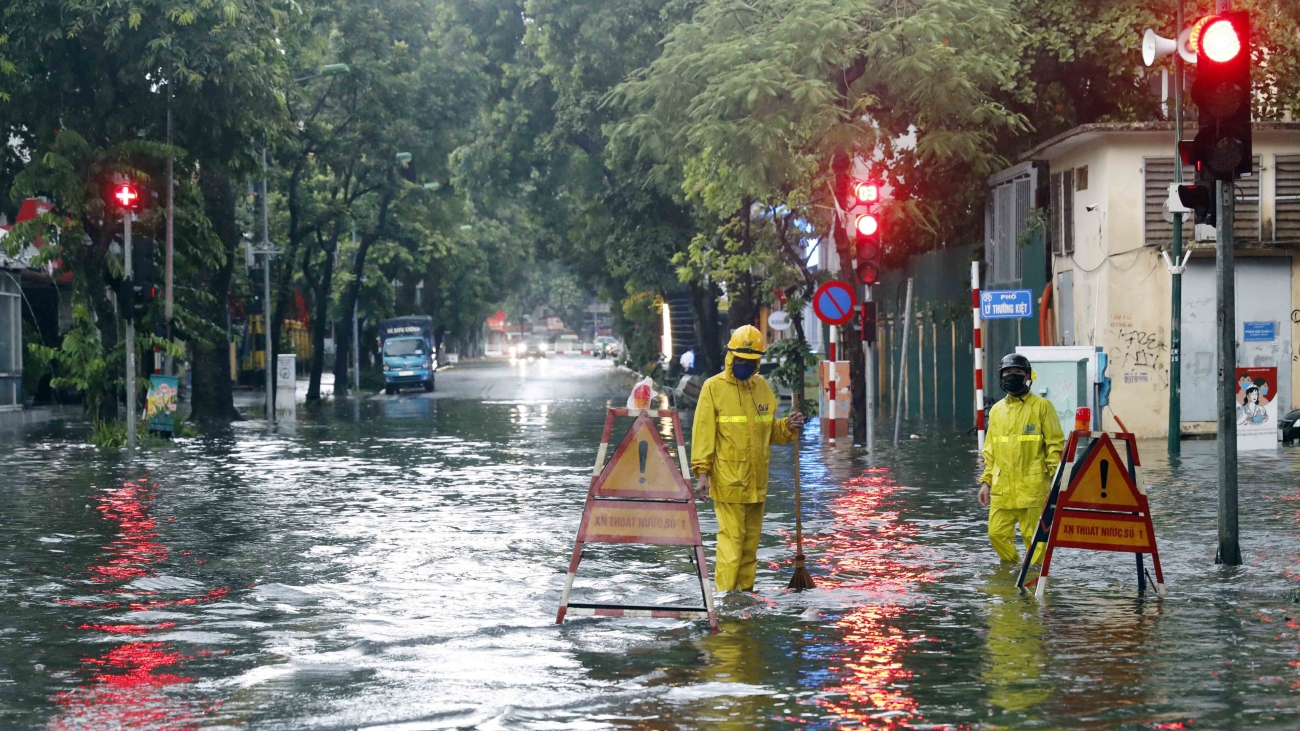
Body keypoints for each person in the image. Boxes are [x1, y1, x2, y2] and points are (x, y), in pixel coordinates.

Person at [691, 325, 805, 592]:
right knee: (732, 543)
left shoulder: (762, 388)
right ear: (731, 357)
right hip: (729, 483)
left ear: (757, 362)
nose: (744, 364)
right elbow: (703, 434)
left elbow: (770, 433)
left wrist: (788, 426)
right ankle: (723, 601)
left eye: (750, 360)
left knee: (750, 547)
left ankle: (744, 596)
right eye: (740, 359)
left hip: (757, 483)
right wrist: (702, 474)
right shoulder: (713, 388)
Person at [977, 353, 1064, 564]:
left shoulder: (1042, 407)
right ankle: (1014, 568)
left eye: (1017, 372)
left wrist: (1057, 480)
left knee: (1034, 540)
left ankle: (1033, 579)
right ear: (1001, 376)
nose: (1012, 376)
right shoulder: (997, 411)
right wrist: (986, 482)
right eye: (1008, 372)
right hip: (1002, 488)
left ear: (1027, 376)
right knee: (996, 534)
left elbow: (1055, 445)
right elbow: (991, 451)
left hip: (1032, 488)